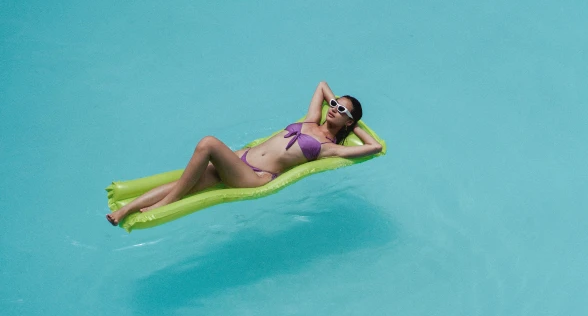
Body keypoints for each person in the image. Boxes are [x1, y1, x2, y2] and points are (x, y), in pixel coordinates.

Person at [106, 81, 382, 226]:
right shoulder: (311, 119)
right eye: (334, 104)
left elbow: (375, 147)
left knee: (208, 143)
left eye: (341, 110)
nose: (333, 107)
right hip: (241, 159)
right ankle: (126, 209)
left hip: (255, 176)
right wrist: (336, 103)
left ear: (349, 122)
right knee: (183, 181)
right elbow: (321, 85)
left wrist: (354, 126)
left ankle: (167, 203)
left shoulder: (331, 148)